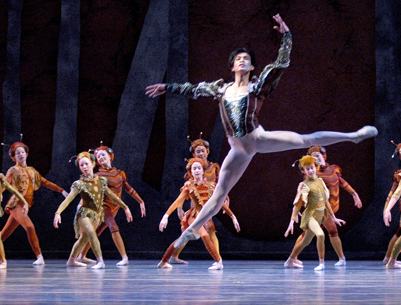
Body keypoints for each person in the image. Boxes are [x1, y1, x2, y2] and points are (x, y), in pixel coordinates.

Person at [145, 14, 377, 248]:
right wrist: (167, 87)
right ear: (232, 65)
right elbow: (192, 89)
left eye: (246, 59)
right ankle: (191, 231)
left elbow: (281, 65)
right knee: (218, 196)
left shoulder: (257, 86)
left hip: (257, 138)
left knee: (305, 139)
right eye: (238, 58)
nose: (242, 61)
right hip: (237, 150)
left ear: (253, 66)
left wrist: (287, 36)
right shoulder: (221, 89)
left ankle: (353, 137)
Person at [0, 141, 68, 265]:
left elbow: (46, 182)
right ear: (13, 157)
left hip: (27, 204)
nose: (21, 154)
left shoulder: (32, 170)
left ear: (26, 154)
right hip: (16, 204)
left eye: (22, 152)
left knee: (5, 232)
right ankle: (39, 257)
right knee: (29, 227)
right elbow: (4, 183)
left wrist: (62, 191)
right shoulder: (13, 170)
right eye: (17, 153)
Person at [53, 151, 133, 269]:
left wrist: (125, 207)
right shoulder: (79, 184)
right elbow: (68, 199)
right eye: (81, 165)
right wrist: (58, 213)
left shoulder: (101, 181)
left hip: (96, 215)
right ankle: (100, 261)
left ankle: (71, 260)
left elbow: (112, 196)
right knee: (91, 232)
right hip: (84, 214)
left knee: (83, 240)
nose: (84, 167)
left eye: (86, 164)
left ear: (92, 164)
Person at [157, 158, 240, 270]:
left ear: (202, 170)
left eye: (198, 168)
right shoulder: (189, 185)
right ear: (191, 172)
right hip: (194, 216)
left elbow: (220, 202)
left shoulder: (211, 185)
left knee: (181, 239)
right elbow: (178, 201)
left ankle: (163, 262)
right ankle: (219, 262)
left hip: (205, 216)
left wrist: (232, 216)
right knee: (205, 235)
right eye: (194, 168)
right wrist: (166, 215)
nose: (196, 170)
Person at [76, 145, 146, 266]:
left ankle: (82, 256)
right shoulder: (98, 175)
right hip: (103, 206)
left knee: (96, 231)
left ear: (110, 156)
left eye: (103, 155)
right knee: (113, 226)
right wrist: (80, 205)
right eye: (98, 156)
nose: (101, 157)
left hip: (115, 207)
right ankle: (124, 258)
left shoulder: (119, 174)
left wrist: (140, 201)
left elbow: (129, 189)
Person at [291, 146, 361, 267]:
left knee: (330, 231)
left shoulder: (333, 169)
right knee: (312, 234)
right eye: (312, 155)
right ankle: (293, 258)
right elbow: (303, 190)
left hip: (329, 208)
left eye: (317, 154)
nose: (315, 156)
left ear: (323, 156)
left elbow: (342, 182)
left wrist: (354, 194)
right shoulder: (313, 174)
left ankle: (341, 258)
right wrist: (296, 208)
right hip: (319, 209)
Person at [284, 155, 345, 271]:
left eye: (312, 168)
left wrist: (334, 217)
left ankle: (289, 261)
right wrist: (291, 221)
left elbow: (326, 201)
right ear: (304, 171)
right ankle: (321, 263)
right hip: (311, 216)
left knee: (305, 242)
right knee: (320, 235)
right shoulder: (304, 185)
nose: (311, 171)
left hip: (322, 215)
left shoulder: (321, 181)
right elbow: (297, 204)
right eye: (308, 169)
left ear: (316, 167)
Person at [170, 137, 224, 265]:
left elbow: (222, 184)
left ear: (207, 152)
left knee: (189, 232)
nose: (201, 153)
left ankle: (173, 256)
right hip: (198, 204)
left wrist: (225, 199)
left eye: (202, 151)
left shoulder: (214, 167)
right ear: (194, 154)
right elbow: (185, 190)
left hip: (211, 203)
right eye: (197, 152)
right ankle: (218, 260)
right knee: (209, 229)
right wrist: (179, 207)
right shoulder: (194, 168)